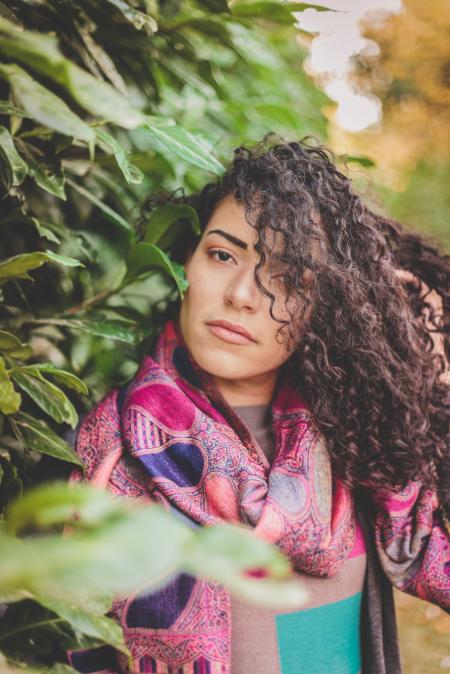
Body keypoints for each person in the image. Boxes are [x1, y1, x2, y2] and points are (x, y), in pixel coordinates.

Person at [67, 137, 450, 674]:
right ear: (187, 263)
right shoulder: (93, 456)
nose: (242, 294)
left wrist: (425, 365)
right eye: (222, 255)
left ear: (327, 307)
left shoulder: (361, 444)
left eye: (288, 276)